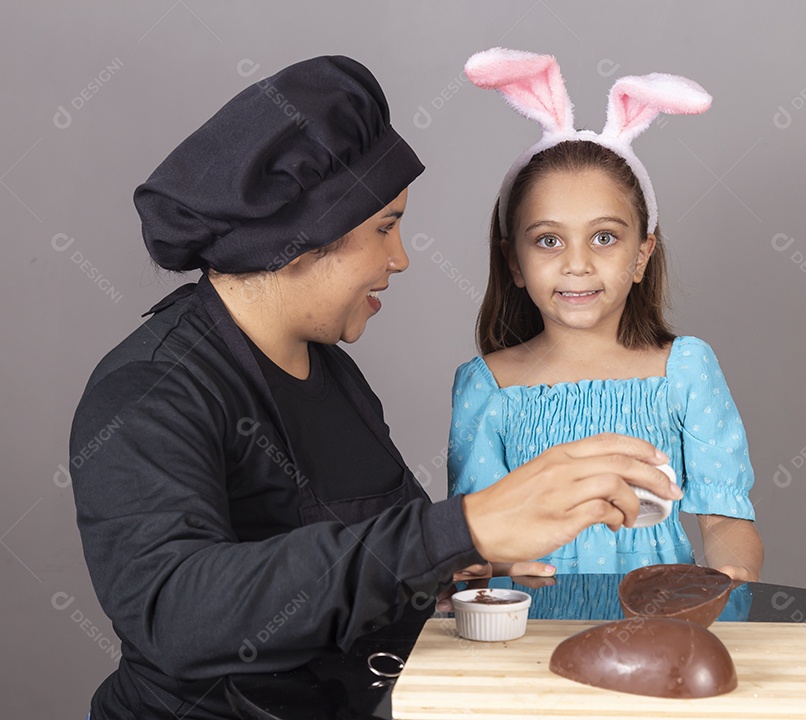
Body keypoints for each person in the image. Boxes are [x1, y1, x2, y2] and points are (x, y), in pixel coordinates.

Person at [68, 55, 682, 720]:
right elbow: (179, 609)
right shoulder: (148, 392)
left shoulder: (328, 368)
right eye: (385, 228)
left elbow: (373, 558)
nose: (401, 258)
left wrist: (452, 574)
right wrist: (463, 528)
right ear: (302, 241)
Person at [448, 49, 763, 581]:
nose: (577, 264)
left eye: (604, 238)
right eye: (549, 240)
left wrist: (729, 582)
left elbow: (724, 518)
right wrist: (501, 566)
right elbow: (478, 539)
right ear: (514, 261)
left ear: (641, 255)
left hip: (659, 631)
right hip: (532, 639)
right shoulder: (486, 386)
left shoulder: (685, 370)